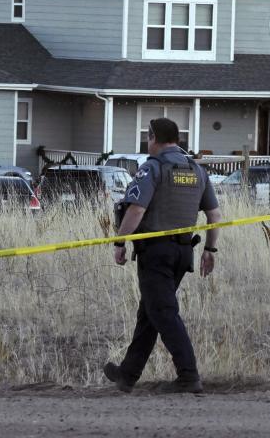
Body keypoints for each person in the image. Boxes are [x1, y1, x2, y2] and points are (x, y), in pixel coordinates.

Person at [104, 117, 223, 394]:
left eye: (148, 137)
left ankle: (188, 376)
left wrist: (120, 241)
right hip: (183, 252)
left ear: (153, 137)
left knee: (163, 312)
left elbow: (135, 210)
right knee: (150, 313)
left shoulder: (153, 168)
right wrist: (210, 249)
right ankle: (127, 374)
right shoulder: (196, 170)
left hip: (156, 252)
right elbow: (214, 215)